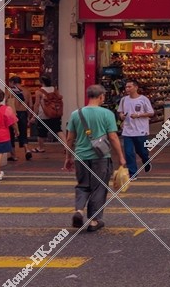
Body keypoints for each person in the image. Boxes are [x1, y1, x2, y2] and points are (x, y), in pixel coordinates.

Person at [65, 84, 122, 233]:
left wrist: (68, 157)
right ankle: (94, 220)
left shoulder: (75, 114)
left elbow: (70, 138)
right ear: (101, 96)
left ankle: (79, 210)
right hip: (101, 157)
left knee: (82, 185)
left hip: (80, 157)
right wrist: (121, 157)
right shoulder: (107, 114)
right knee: (99, 188)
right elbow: (113, 137)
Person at [117, 80, 154, 178]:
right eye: (126, 87)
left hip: (141, 130)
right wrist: (122, 116)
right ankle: (133, 173)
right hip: (127, 131)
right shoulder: (124, 100)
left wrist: (138, 115)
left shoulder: (143, 99)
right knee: (129, 152)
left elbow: (151, 113)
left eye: (129, 87)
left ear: (136, 87)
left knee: (142, 151)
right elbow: (120, 112)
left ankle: (146, 160)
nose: (127, 89)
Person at [30, 76, 63, 152]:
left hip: (44, 115)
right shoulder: (55, 90)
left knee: (41, 133)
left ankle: (40, 148)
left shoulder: (39, 92)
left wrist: (34, 116)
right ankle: (67, 147)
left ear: (42, 82)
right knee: (59, 130)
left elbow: (37, 104)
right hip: (55, 113)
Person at [5, 76, 31, 162]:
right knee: (23, 133)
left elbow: (5, 102)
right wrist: (29, 116)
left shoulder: (9, 91)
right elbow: (30, 105)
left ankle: (14, 155)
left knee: (11, 134)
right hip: (23, 113)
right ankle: (27, 149)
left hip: (12, 113)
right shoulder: (27, 91)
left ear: (12, 82)